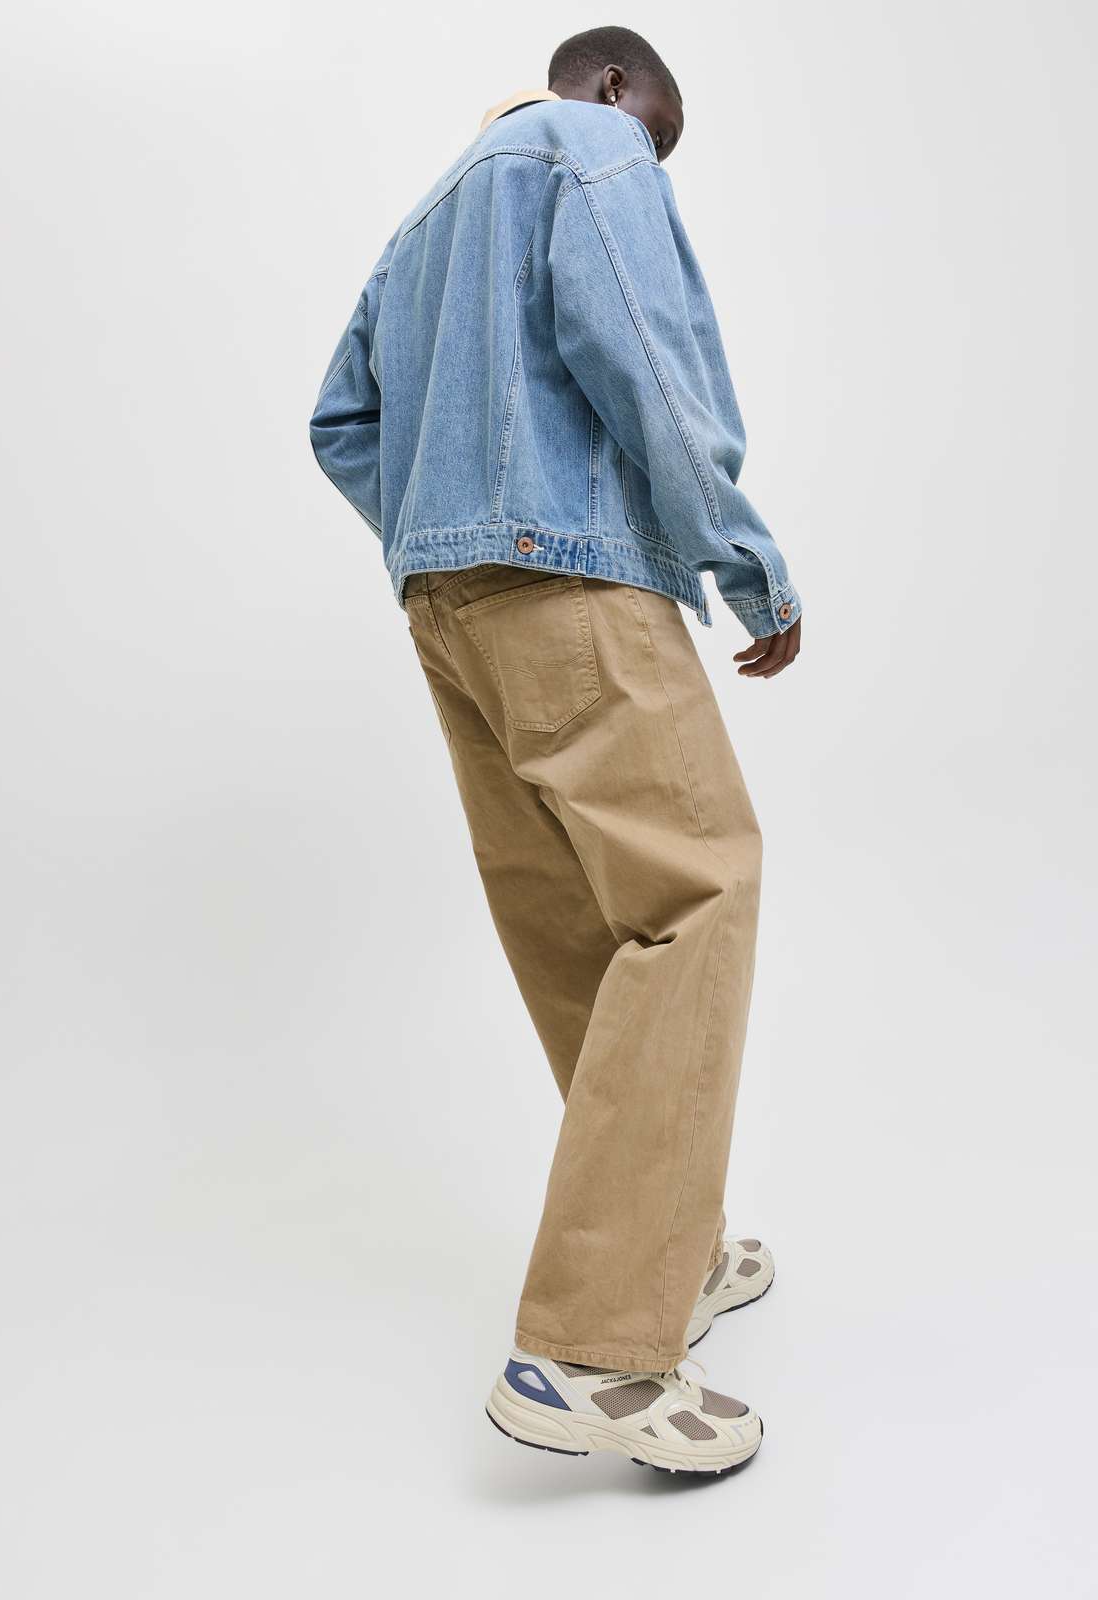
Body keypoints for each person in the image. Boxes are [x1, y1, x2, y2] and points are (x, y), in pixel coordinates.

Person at [310, 25, 801, 1476]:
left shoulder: (419, 223)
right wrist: (746, 564)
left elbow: (341, 423)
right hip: (572, 585)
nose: (658, 159)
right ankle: (595, 1352)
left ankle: (664, 1254)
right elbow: (646, 356)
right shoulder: (586, 148)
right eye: (661, 131)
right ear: (612, 85)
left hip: (450, 612)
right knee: (699, 890)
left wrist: (442, 526)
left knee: (584, 932)